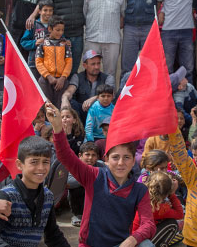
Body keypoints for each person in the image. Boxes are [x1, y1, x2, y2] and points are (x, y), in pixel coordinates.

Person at [45, 102, 156, 246]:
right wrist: (58, 127)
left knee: (146, 244)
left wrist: (131, 240)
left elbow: (149, 224)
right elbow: (66, 156)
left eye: (126, 157)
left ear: (134, 160)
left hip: (121, 244)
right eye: (115, 157)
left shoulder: (139, 190)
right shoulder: (94, 176)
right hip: (90, 244)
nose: (121, 163)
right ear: (106, 160)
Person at [0, 136, 69, 247]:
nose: (41, 167)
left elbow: (53, 235)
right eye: (34, 162)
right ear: (19, 164)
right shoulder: (8, 195)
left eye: (45, 162)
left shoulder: (48, 196)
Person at [44, 0, 89, 74]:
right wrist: (33, 15)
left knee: (73, 69)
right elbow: (44, 7)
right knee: (57, 68)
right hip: (59, 36)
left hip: (78, 35)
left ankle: (69, 91)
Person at [121, 0, 161, 75]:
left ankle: (150, 92)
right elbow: (122, 4)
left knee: (151, 62)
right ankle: (125, 91)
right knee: (127, 64)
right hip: (130, 27)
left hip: (149, 27)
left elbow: (159, 1)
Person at [83, 0, 125, 79]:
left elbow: (123, 15)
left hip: (112, 40)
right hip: (92, 39)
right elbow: (85, 15)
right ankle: (90, 96)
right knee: (90, 71)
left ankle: (110, 96)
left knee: (110, 73)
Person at [62, 50, 116, 121]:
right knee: (71, 103)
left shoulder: (108, 78)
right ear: (85, 65)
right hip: (82, 113)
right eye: (93, 64)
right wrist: (64, 99)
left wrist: (95, 98)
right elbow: (69, 91)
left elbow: (111, 94)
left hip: (100, 112)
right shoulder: (77, 77)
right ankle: (79, 130)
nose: (97, 67)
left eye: (98, 63)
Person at [35, 17, 73, 107]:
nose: (60, 33)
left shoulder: (65, 45)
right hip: (46, 80)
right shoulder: (42, 44)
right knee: (46, 106)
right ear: (49, 29)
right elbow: (38, 62)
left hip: (61, 81)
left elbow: (69, 62)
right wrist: (48, 76)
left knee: (60, 106)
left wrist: (63, 78)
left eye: (62, 30)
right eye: (57, 30)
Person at [21, 0, 54, 77]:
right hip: (34, 63)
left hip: (50, 63)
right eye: (45, 10)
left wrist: (65, 42)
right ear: (39, 11)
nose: (48, 13)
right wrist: (35, 42)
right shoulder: (33, 25)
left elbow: (61, 39)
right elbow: (23, 42)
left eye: (50, 10)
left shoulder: (54, 25)